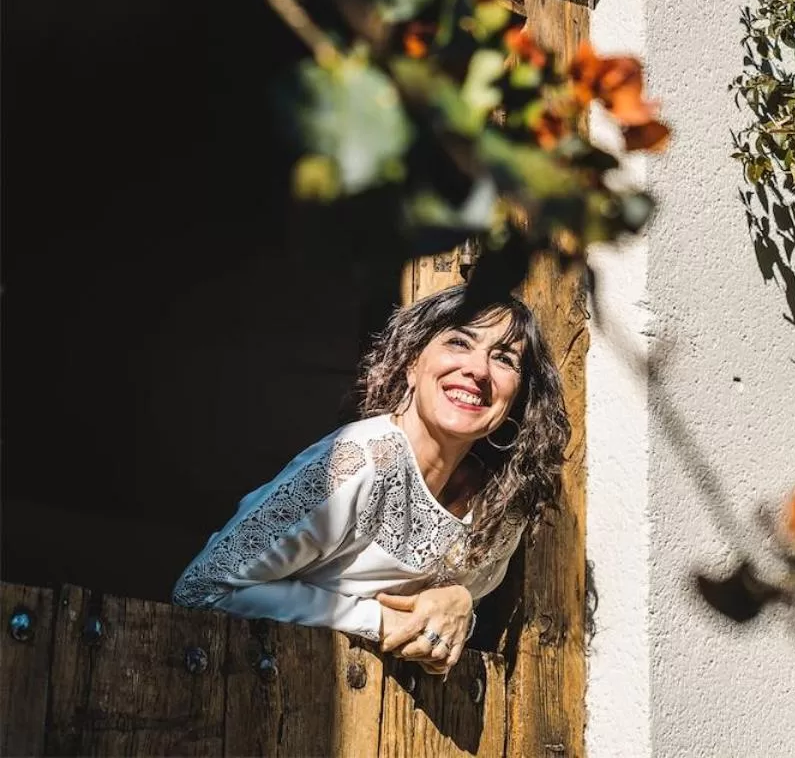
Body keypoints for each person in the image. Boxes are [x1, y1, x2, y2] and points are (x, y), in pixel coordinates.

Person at [173, 285, 568, 673]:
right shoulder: (355, 462)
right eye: (459, 343)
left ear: (519, 398)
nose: (477, 370)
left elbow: (446, 622)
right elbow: (202, 589)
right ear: (413, 363)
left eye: (504, 359)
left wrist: (459, 600)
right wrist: (377, 619)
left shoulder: (501, 504)